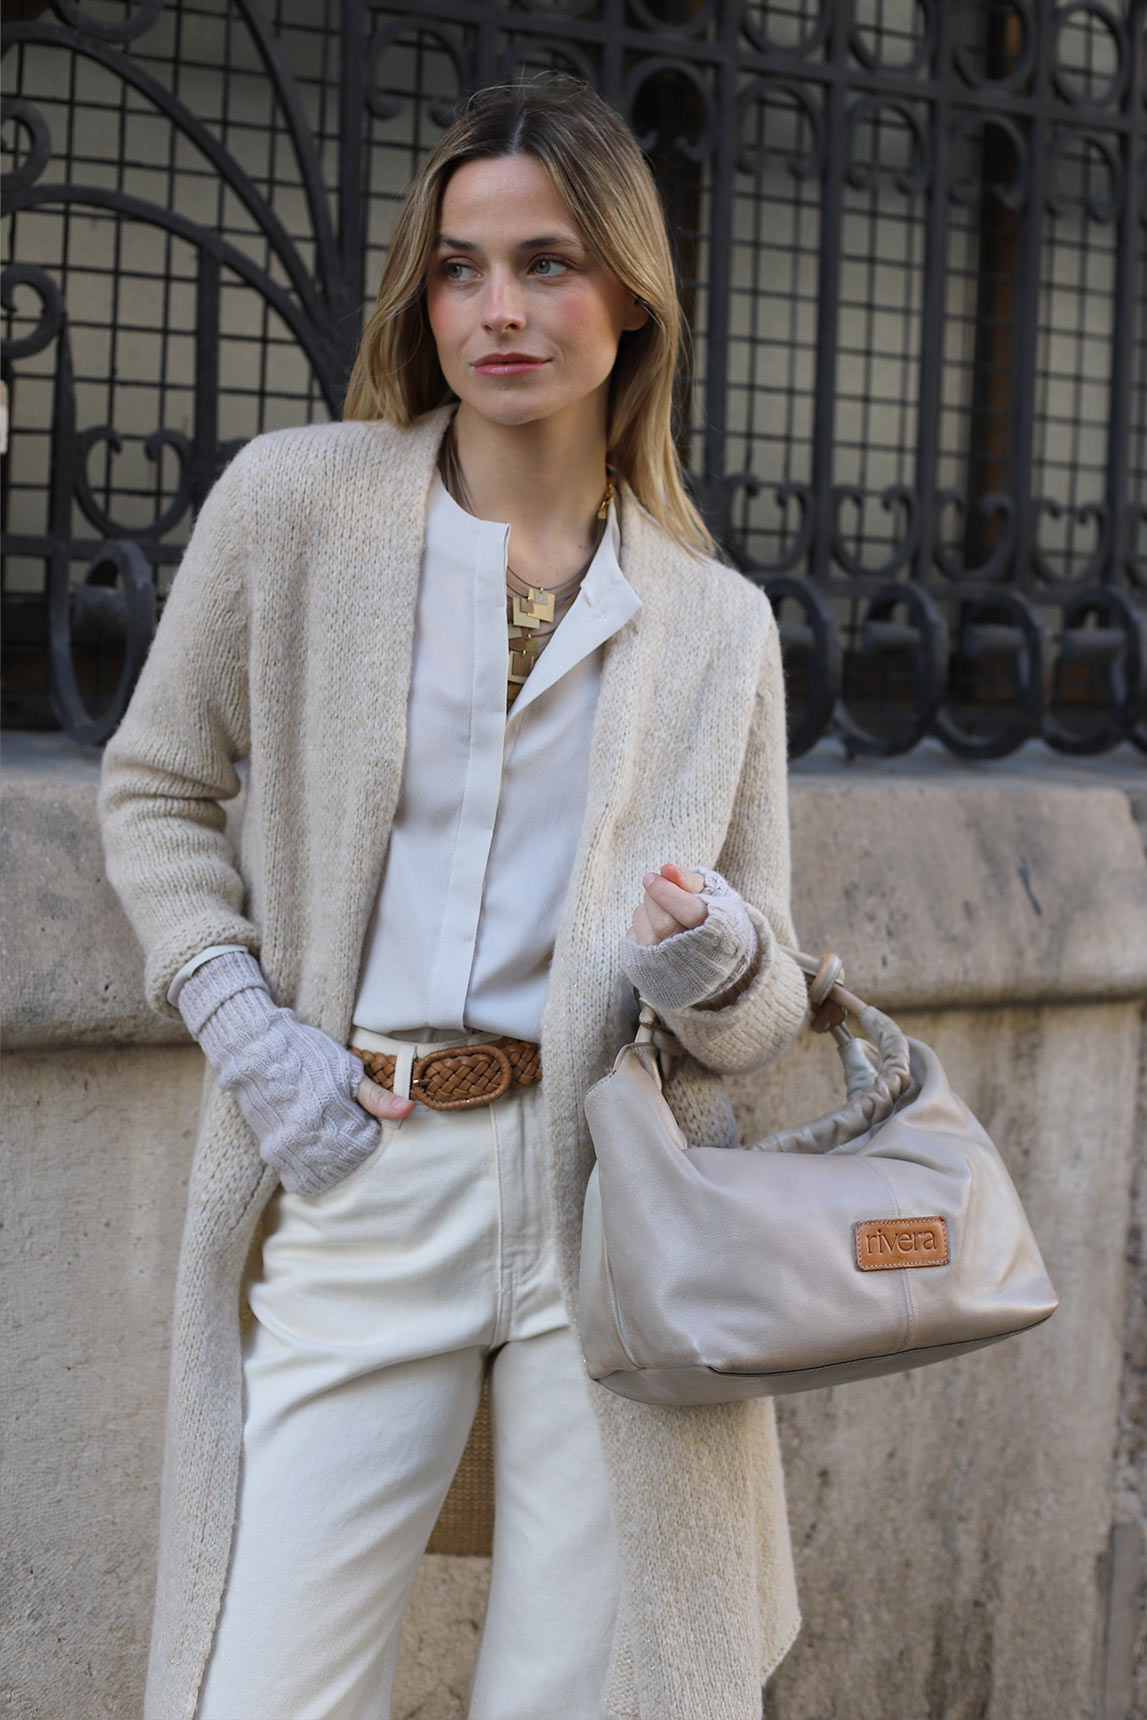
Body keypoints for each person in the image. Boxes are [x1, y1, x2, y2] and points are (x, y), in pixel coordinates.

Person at [99, 74, 809, 1720]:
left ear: (630, 299)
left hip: (607, 1200)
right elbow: (154, 786)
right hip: (362, 1155)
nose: (500, 309)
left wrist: (713, 954)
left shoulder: (715, 623)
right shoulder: (299, 506)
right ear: (423, 298)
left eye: (547, 264)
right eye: (460, 268)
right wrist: (250, 1035)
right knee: (266, 1688)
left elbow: (767, 998)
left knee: (581, 1693)